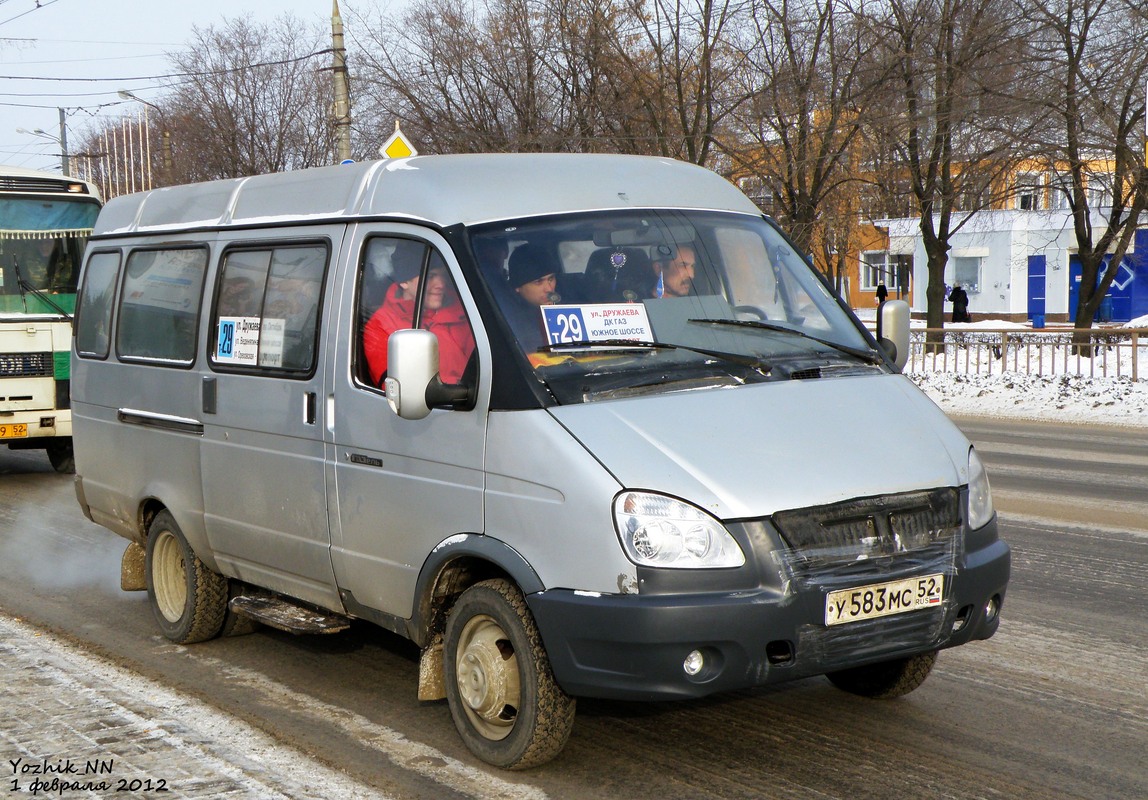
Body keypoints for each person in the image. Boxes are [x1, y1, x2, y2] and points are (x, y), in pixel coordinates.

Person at [362, 251, 475, 387]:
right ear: (404, 281)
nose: (441, 284)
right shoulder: (381, 325)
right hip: (445, 405)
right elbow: (398, 390)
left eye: (443, 276)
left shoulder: (468, 307)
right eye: (430, 276)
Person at [503, 243, 561, 349]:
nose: (549, 288)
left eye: (551, 279)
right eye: (538, 282)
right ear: (518, 287)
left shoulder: (571, 308)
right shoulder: (511, 324)